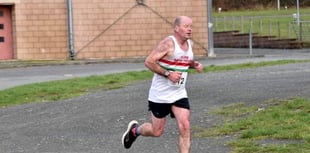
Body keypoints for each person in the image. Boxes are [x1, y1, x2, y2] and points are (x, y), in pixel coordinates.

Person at [121, 16, 203, 153]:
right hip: (160, 95)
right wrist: (168, 74)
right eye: (186, 26)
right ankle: (135, 131)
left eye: (191, 26)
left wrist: (195, 65)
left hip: (179, 93)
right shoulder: (168, 44)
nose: (190, 29)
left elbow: (184, 60)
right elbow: (149, 61)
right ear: (176, 28)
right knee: (156, 131)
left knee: (185, 126)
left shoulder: (190, 45)